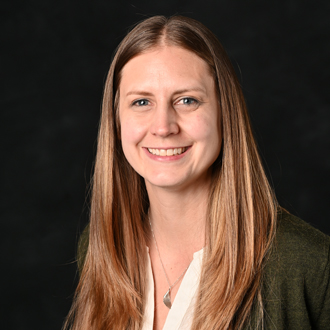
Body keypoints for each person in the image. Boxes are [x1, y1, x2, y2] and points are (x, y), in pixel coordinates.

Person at [63, 15, 330, 330]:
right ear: (116, 120)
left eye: (187, 100)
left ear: (223, 113)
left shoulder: (309, 265)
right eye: (141, 102)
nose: (163, 127)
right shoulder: (102, 249)